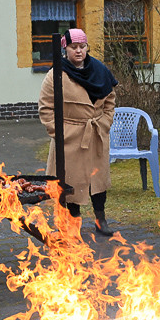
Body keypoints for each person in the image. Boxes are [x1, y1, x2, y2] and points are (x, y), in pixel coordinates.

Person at [38, 28, 118, 236]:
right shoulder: (56, 74)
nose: (79, 51)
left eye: (82, 46)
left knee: (97, 181)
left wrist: (105, 122)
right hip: (70, 138)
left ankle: (101, 219)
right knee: (72, 182)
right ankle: (74, 222)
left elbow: (110, 100)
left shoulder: (99, 70)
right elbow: (46, 108)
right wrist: (60, 134)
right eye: (74, 47)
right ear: (65, 49)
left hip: (96, 134)